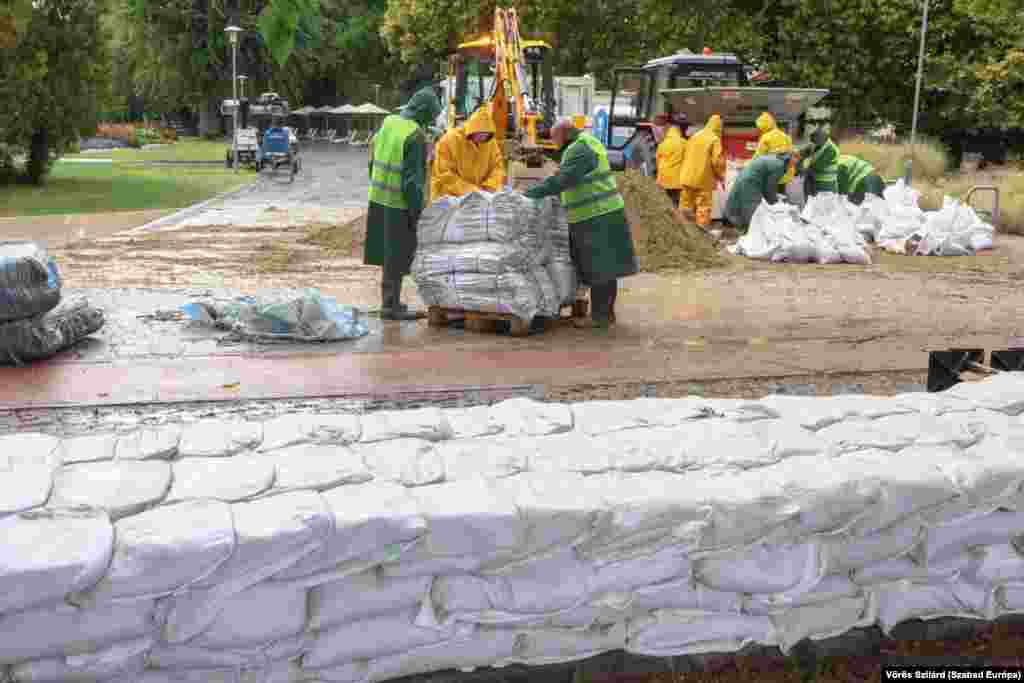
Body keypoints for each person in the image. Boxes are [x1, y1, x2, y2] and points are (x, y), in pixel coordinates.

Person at [523, 118, 639, 330]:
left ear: (564, 134)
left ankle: (601, 317)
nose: (554, 143)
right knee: (599, 266)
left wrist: (529, 195)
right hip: (595, 215)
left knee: (601, 267)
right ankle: (604, 315)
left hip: (598, 216)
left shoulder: (580, 149)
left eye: (554, 138)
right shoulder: (583, 144)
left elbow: (563, 180)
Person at [364, 86, 442, 321]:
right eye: (431, 116)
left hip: (378, 197)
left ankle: (390, 302)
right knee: (396, 256)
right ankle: (391, 307)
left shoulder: (388, 122)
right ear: (424, 112)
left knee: (387, 254)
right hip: (399, 203)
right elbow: (412, 183)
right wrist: (418, 214)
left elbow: (372, 159)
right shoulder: (415, 136)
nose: (431, 122)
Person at [429, 108, 505, 201]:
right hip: (447, 199)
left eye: (485, 135)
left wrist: (488, 187)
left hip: (477, 198)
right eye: (479, 134)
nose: (482, 138)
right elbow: (444, 175)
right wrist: (473, 191)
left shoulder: (490, 142)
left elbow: (497, 167)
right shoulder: (448, 141)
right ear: (472, 130)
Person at [723, 153, 799, 233]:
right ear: (789, 160)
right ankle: (752, 231)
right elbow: (770, 187)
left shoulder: (776, 159)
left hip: (745, 176)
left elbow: (767, 184)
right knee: (753, 208)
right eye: (793, 164)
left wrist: (773, 197)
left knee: (737, 201)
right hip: (751, 181)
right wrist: (775, 203)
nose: (792, 166)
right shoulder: (779, 166)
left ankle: (730, 221)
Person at [678, 114, 726, 227]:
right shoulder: (714, 139)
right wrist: (721, 175)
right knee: (703, 207)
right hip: (703, 180)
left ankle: (682, 229)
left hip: (687, 177)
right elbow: (717, 161)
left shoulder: (695, 136)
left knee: (685, 206)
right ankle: (701, 231)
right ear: (719, 127)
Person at [655, 114, 687, 206]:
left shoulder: (662, 144)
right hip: (678, 182)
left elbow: (658, 161)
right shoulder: (684, 143)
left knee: (665, 205)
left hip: (663, 181)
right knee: (676, 205)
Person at [800, 127, 840, 196]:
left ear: (823, 138)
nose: (813, 143)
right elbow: (803, 153)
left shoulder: (831, 149)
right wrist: (797, 157)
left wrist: (803, 170)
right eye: (812, 140)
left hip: (826, 184)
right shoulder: (817, 144)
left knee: (823, 201)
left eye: (814, 141)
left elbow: (817, 166)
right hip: (813, 181)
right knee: (811, 200)